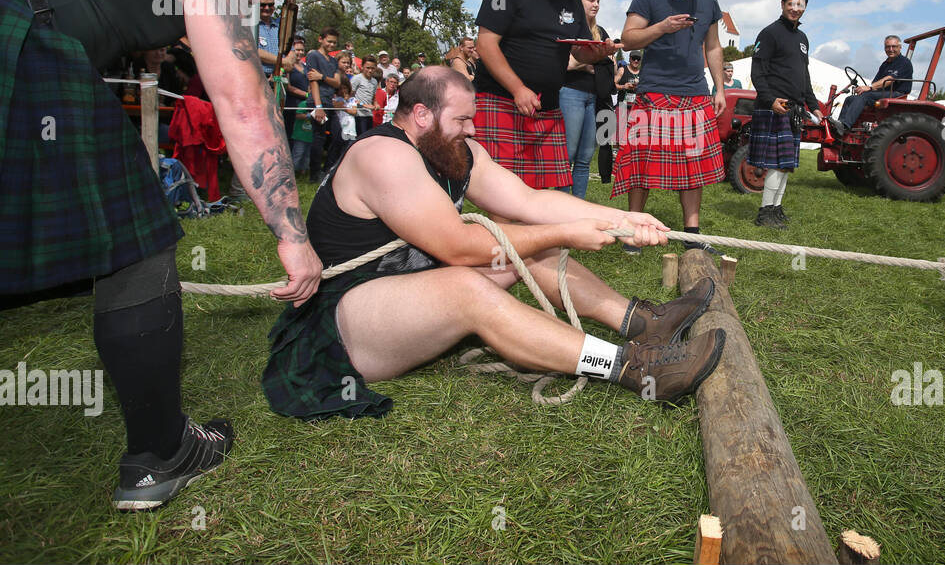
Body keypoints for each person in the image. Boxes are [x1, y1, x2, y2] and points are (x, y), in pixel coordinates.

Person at [0, 0, 321, 509]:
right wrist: (293, 236)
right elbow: (244, 104)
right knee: (136, 240)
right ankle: (159, 452)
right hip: (20, 34)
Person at [262, 68, 725, 419]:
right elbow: (460, 249)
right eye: (462, 119)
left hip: (408, 297)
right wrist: (568, 234)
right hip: (345, 322)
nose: (471, 129)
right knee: (472, 283)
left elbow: (529, 202)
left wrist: (623, 218)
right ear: (421, 114)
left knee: (524, 245)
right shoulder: (382, 155)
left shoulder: (454, 151)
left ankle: (643, 323)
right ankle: (635, 368)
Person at [473, 0, 616, 190]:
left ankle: (533, 231)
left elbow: (578, 50)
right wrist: (517, 89)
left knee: (541, 191)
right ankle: (507, 231)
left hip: (547, 106)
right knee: (502, 189)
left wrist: (596, 54)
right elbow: (485, 43)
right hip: (501, 101)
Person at [613, 0, 727, 255]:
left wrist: (719, 87)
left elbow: (714, 46)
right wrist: (662, 27)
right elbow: (629, 37)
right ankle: (633, 231)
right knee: (641, 163)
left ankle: (691, 234)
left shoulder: (708, 2)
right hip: (655, 90)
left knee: (694, 168)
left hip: (695, 93)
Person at [749, 0, 822, 229]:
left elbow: (805, 75)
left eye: (800, 5)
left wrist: (814, 105)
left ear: (804, 8)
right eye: (791, 3)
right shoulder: (770, 33)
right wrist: (770, 100)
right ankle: (764, 213)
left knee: (786, 165)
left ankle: (776, 209)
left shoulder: (802, 39)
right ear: (782, 4)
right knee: (776, 164)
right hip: (775, 106)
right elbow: (757, 72)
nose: (795, 8)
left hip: (794, 108)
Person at [559, 0, 616, 198]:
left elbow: (608, 63)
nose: (596, 5)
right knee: (568, 156)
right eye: (591, 0)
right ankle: (561, 209)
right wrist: (588, 63)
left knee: (584, 158)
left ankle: (578, 207)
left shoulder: (600, 31)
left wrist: (586, 63)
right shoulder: (568, 27)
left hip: (595, 97)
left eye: (599, 1)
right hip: (570, 93)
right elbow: (564, 65)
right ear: (578, 1)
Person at [833, 35, 914, 132]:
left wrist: (870, 88)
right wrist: (864, 88)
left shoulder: (904, 62)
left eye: (894, 46)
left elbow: (890, 79)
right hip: (883, 93)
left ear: (900, 48)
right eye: (887, 47)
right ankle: (841, 125)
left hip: (897, 94)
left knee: (865, 96)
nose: (890, 49)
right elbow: (876, 82)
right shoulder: (885, 64)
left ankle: (846, 125)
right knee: (850, 98)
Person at [306, 27, 344, 181]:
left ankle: (328, 168)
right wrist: (318, 106)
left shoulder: (333, 61)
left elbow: (337, 82)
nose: (332, 45)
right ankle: (314, 174)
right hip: (318, 102)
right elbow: (313, 81)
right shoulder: (313, 55)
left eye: (334, 43)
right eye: (329, 41)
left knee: (338, 135)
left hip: (330, 102)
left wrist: (322, 76)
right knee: (319, 138)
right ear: (320, 39)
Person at [350, 54, 380, 137]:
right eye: (368, 68)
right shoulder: (357, 79)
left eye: (372, 68)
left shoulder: (374, 81)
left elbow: (373, 97)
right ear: (362, 67)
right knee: (360, 138)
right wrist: (363, 105)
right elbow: (349, 97)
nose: (370, 70)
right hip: (358, 115)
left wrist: (376, 104)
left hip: (369, 115)